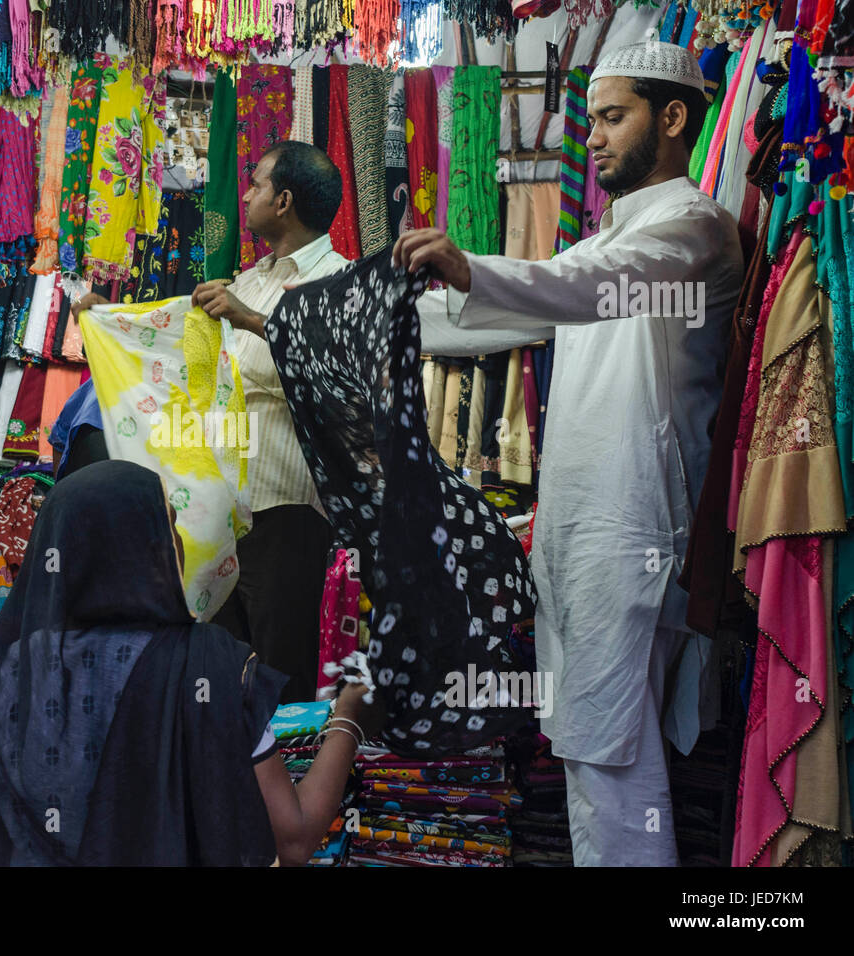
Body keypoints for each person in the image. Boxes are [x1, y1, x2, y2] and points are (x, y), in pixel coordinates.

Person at [392, 41, 745, 865]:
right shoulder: (607, 243)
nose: (593, 137)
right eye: (592, 119)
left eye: (613, 117)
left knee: (608, 757)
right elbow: (524, 305)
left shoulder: (691, 232)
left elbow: (581, 287)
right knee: (597, 751)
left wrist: (469, 266)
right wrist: (316, 319)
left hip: (633, 535)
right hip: (589, 532)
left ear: (674, 118)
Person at [0, 459, 375, 866]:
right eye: (168, 526)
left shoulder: (3, 679)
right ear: (146, 548)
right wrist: (349, 714)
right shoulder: (211, 666)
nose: (180, 542)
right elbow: (292, 841)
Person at [72, 141, 349, 702]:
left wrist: (247, 321)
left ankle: (288, 788)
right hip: (222, 515)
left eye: (257, 184)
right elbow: (194, 374)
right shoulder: (247, 281)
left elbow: (335, 378)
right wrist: (114, 325)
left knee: (279, 674)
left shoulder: (340, 284)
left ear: (285, 200)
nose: (246, 193)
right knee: (220, 672)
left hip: (286, 510)